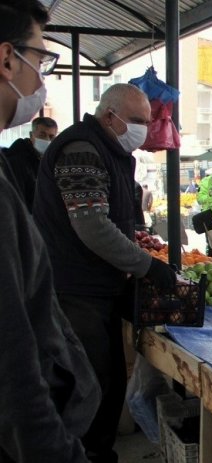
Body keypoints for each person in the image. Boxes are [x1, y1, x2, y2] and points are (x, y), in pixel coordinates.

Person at [34, 83, 177, 462]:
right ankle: (88, 454)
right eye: (137, 121)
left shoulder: (109, 150)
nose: (144, 130)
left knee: (107, 379)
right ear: (110, 116)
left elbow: (110, 215)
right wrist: (146, 265)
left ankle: (97, 451)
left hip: (96, 287)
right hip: (75, 290)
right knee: (91, 383)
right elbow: (92, 225)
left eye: (147, 122)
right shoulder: (82, 150)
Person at [0, 2, 101, 461]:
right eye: (40, 59)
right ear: (7, 59)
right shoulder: (80, 149)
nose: (41, 75)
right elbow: (11, 355)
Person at [0, 116, 57, 211]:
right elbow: (19, 200)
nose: (47, 140)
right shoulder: (17, 161)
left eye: (51, 137)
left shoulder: (49, 160)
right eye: (42, 135)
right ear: (31, 135)